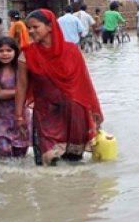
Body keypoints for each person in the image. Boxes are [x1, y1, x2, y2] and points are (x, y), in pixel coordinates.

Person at [15, 9, 103, 166]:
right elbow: (21, 86)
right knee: (47, 163)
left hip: (74, 114)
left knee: (75, 164)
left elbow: (84, 84)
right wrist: (19, 116)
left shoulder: (71, 51)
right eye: (29, 28)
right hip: (45, 115)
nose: (30, 31)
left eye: (35, 27)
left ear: (50, 26)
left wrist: (93, 114)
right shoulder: (26, 54)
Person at [0, 37, 31, 159]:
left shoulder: (21, 67)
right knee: (2, 153)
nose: (5, 54)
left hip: (21, 117)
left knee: (20, 156)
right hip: (0, 119)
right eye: (1, 51)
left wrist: (21, 91)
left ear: (15, 52)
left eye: (8, 50)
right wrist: (22, 91)